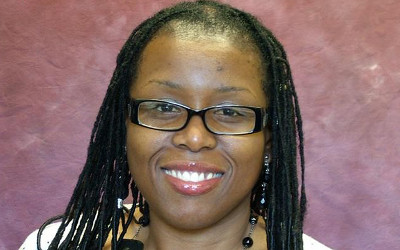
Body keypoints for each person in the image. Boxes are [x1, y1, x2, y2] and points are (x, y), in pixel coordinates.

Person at [20, 0, 311, 249]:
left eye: (230, 112)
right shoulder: (55, 244)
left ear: (269, 140)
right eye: (165, 107)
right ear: (124, 127)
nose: (195, 138)